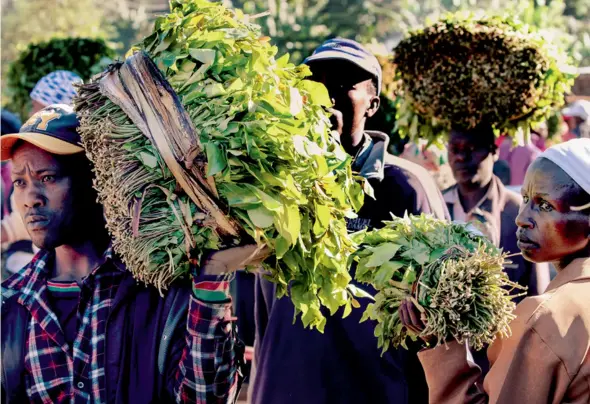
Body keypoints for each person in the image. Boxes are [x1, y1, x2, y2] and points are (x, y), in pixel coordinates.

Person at [0, 104, 265, 403]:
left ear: (97, 181)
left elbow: (206, 398)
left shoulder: (155, 288)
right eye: (20, 182)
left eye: (47, 177)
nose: (30, 199)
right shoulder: (12, 304)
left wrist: (211, 281)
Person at [249, 39, 449, 404]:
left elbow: (442, 316)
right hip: (281, 390)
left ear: (373, 103)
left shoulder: (403, 188)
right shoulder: (272, 186)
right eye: (316, 84)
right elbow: (250, 314)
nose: (327, 96)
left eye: (344, 85)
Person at [400, 138, 590, 403]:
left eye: (544, 205)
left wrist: (442, 343)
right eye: (525, 199)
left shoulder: (545, 318)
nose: (522, 218)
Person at [445, 125, 550, 298]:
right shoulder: (437, 206)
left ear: (494, 151)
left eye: (471, 149)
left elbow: (538, 296)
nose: (461, 157)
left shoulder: (520, 213)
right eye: (454, 149)